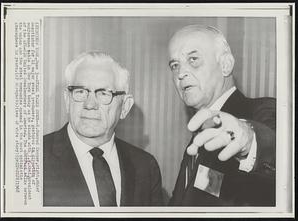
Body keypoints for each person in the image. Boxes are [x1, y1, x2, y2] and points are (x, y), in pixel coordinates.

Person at [168, 25, 276, 206]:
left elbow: (278, 148)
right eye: (175, 65)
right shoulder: (198, 137)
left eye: (193, 59)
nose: (181, 73)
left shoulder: (261, 110)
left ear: (225, 65)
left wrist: (248, 138)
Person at [43, 52, 163, 206]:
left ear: (125, 107)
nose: (90, 104)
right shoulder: (35, 159)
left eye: (103, 94)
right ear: (67, 100)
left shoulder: (145, 167)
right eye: (80, 91)